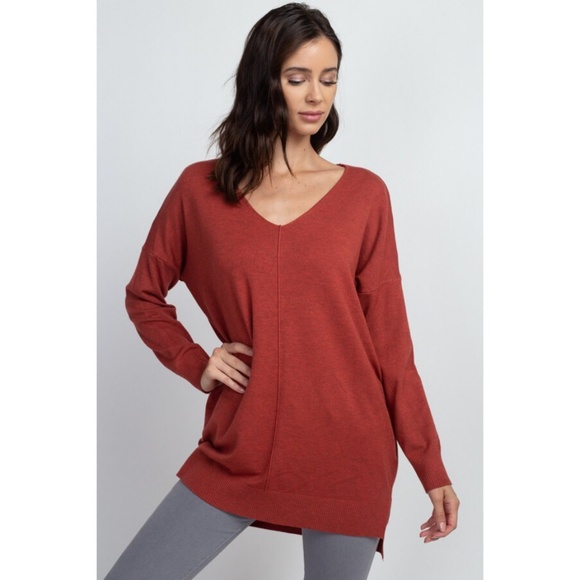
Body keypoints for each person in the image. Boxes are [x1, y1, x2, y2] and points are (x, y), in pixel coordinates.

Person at [105, 3, 459, 579]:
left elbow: (393, 350)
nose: (316, 95)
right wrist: (196, 363)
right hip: (238, 448)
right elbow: (144, 294)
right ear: (263, 80)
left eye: (329, 78)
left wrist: (431, 467)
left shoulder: (364, 196)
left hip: (348, 455)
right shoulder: (199, 191)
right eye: (298, 78)